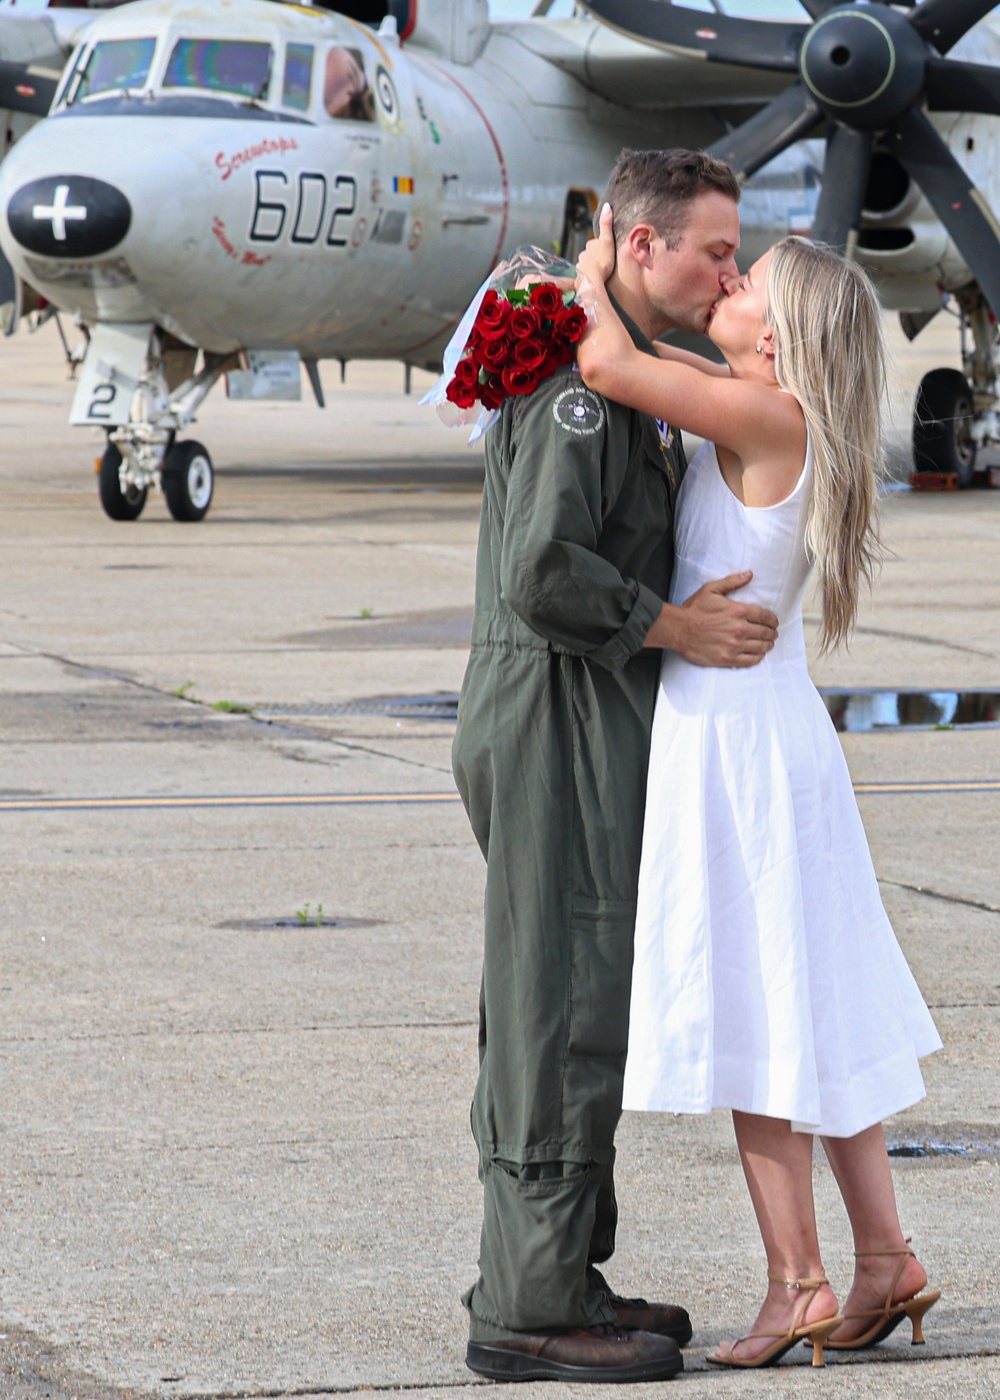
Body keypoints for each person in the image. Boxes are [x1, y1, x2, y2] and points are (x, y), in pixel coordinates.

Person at [575, 207, 943, 1370]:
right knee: (809, 1005)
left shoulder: (760, 411)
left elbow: (606, 362)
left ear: (776, 340)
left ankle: (798, 1283)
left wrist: (596, 257)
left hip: (733, 736)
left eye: (747, 284)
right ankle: (883, 1257)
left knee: (755, 1012)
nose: (725, 283)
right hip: (767, 729)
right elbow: (658, 361)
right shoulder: (774, 408)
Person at [451, 148, 782, 1385]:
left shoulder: (621, 368)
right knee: (556, 1001)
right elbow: (546, 569)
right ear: (641, 247)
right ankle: (530, 1304)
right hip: (555, 712)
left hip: (575, 710)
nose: (726, 269)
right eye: (709, 248)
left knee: (578, 987)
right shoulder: (580, 394)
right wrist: (675, 622)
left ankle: (560, 1267)